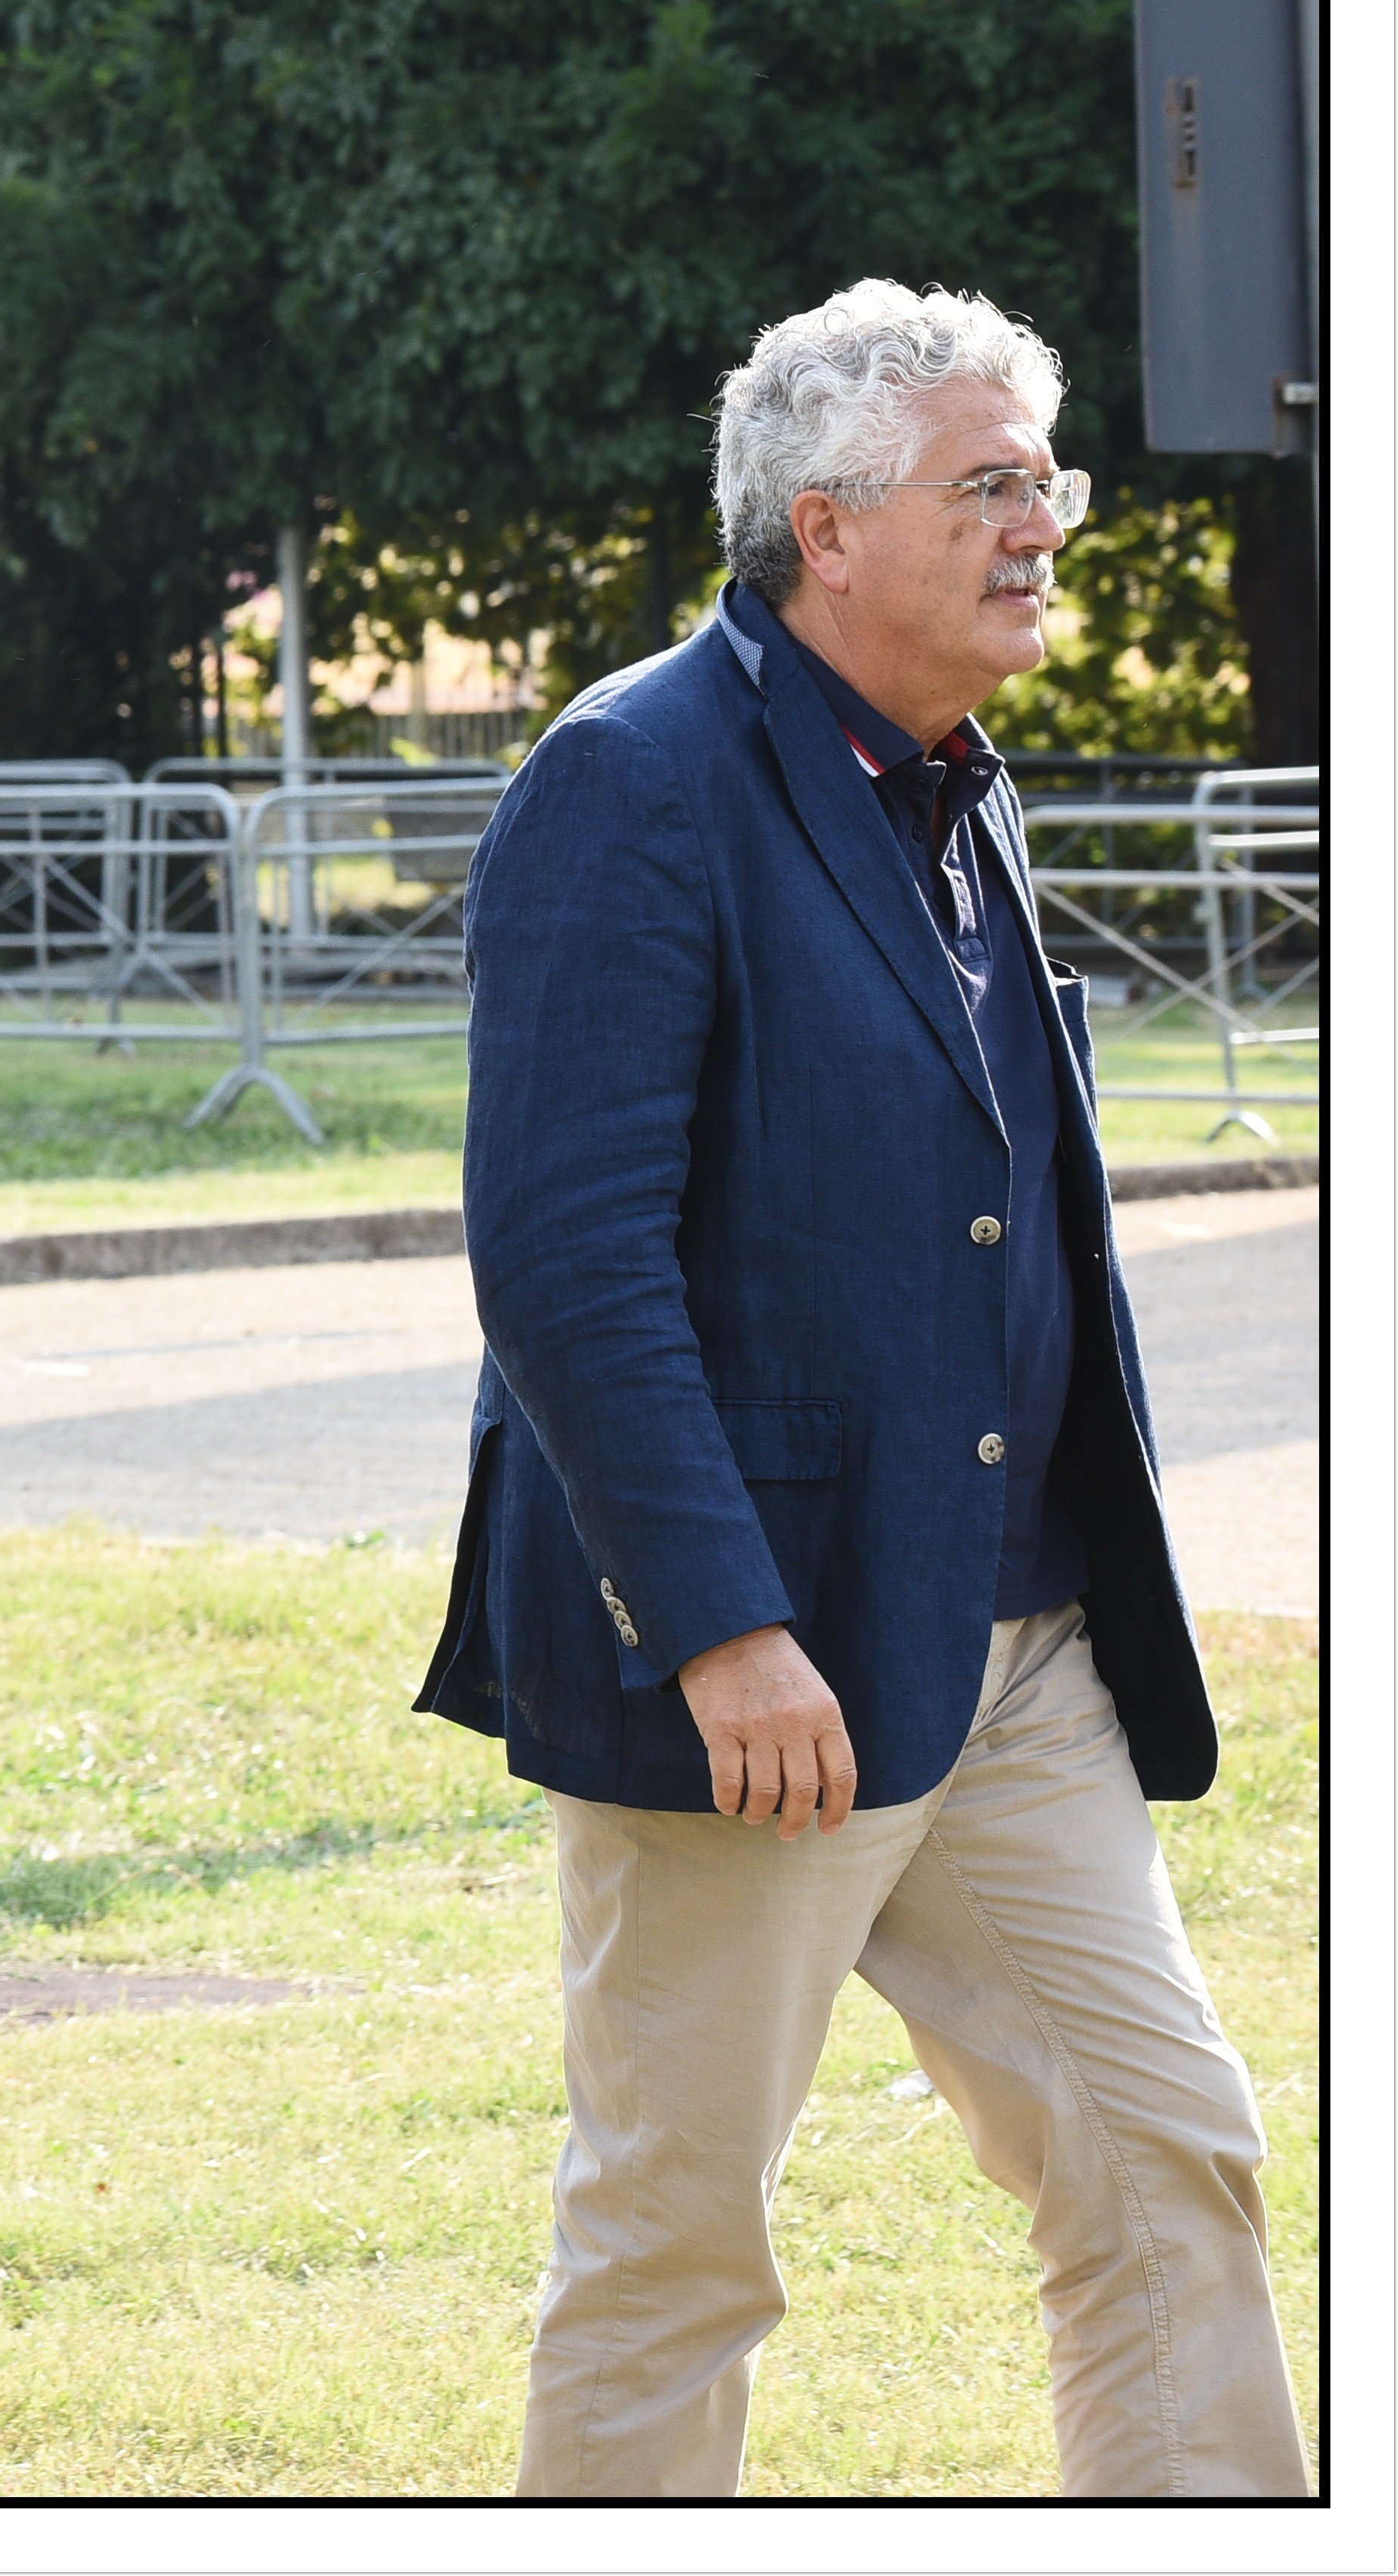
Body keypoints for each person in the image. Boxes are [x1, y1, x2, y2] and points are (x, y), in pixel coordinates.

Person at [425, 279, 1304, 2499]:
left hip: (1015, 1640)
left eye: (1043, 476)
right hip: (763, 1665)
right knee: (673, 2238)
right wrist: (721, 1628)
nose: (1039, 524)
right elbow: (562, 1255)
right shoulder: (629, 777)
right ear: (821, 528)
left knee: (1164, 2151)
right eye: (984, 483)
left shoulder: (949, 779)